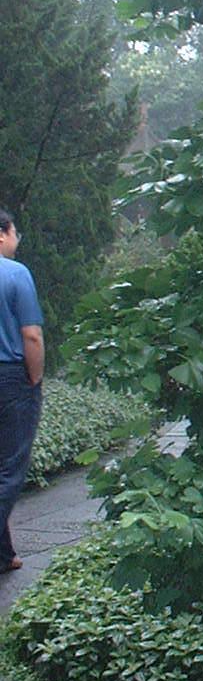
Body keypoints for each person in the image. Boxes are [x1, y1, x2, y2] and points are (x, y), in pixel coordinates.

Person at [0, 210, 44, 572]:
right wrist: (35, 378)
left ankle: (4, 554)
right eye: (16, 232)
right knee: (11, 469)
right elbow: (31, 335)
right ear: (2, 235)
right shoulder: (16, 274)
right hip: (12, 378)